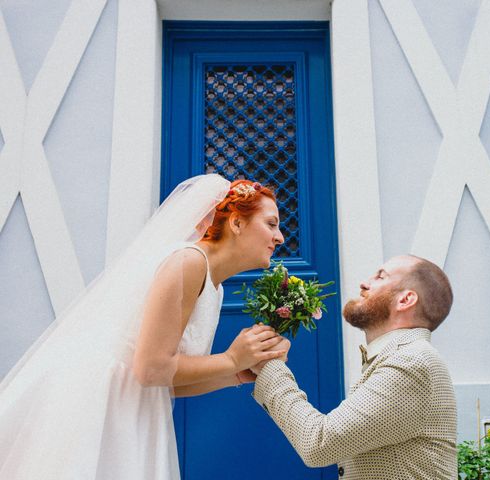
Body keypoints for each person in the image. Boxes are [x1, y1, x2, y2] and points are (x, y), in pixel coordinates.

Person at [0, 174, 288, 479]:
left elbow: (167, 381)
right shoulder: (187, 263)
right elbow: (151, 369)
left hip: (135, 407)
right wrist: (230, 358)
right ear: (237, 223)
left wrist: (237, 373)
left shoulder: (214, 288)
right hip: (101, 409)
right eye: (271, 223)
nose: (280, 237)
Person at [251, 254, 457, 480]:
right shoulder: (403, 357)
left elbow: (319, 443)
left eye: (380, 276)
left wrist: (271, 366)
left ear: (405, 300)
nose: (364, 283)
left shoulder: (410, 362)